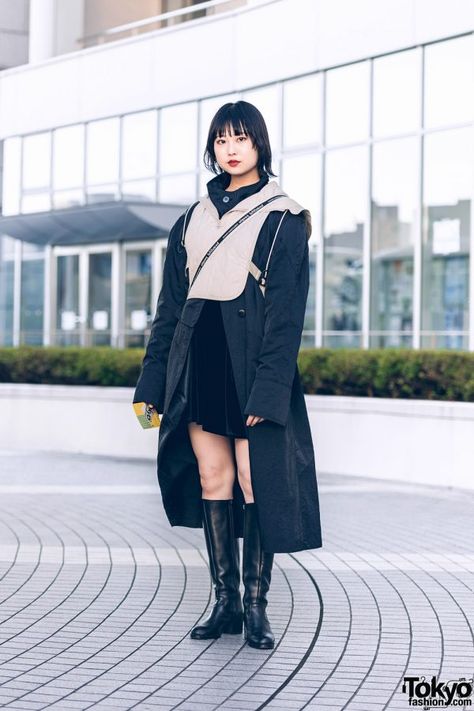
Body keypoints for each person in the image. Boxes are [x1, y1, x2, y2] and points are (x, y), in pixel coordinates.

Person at [133, 101, 322, 650]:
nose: (231, 149)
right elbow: (169, 309)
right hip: (199, 365)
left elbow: (287, 318)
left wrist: (270, 389)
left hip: (251, 368)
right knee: (213, 479)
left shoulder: (282, 217)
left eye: (242, 138)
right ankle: (225, 603)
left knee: (252, 480)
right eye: (222, 140)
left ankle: (258, 606)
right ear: (213, 149)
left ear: (260, 144)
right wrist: (152, 382)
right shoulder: (189, 220)